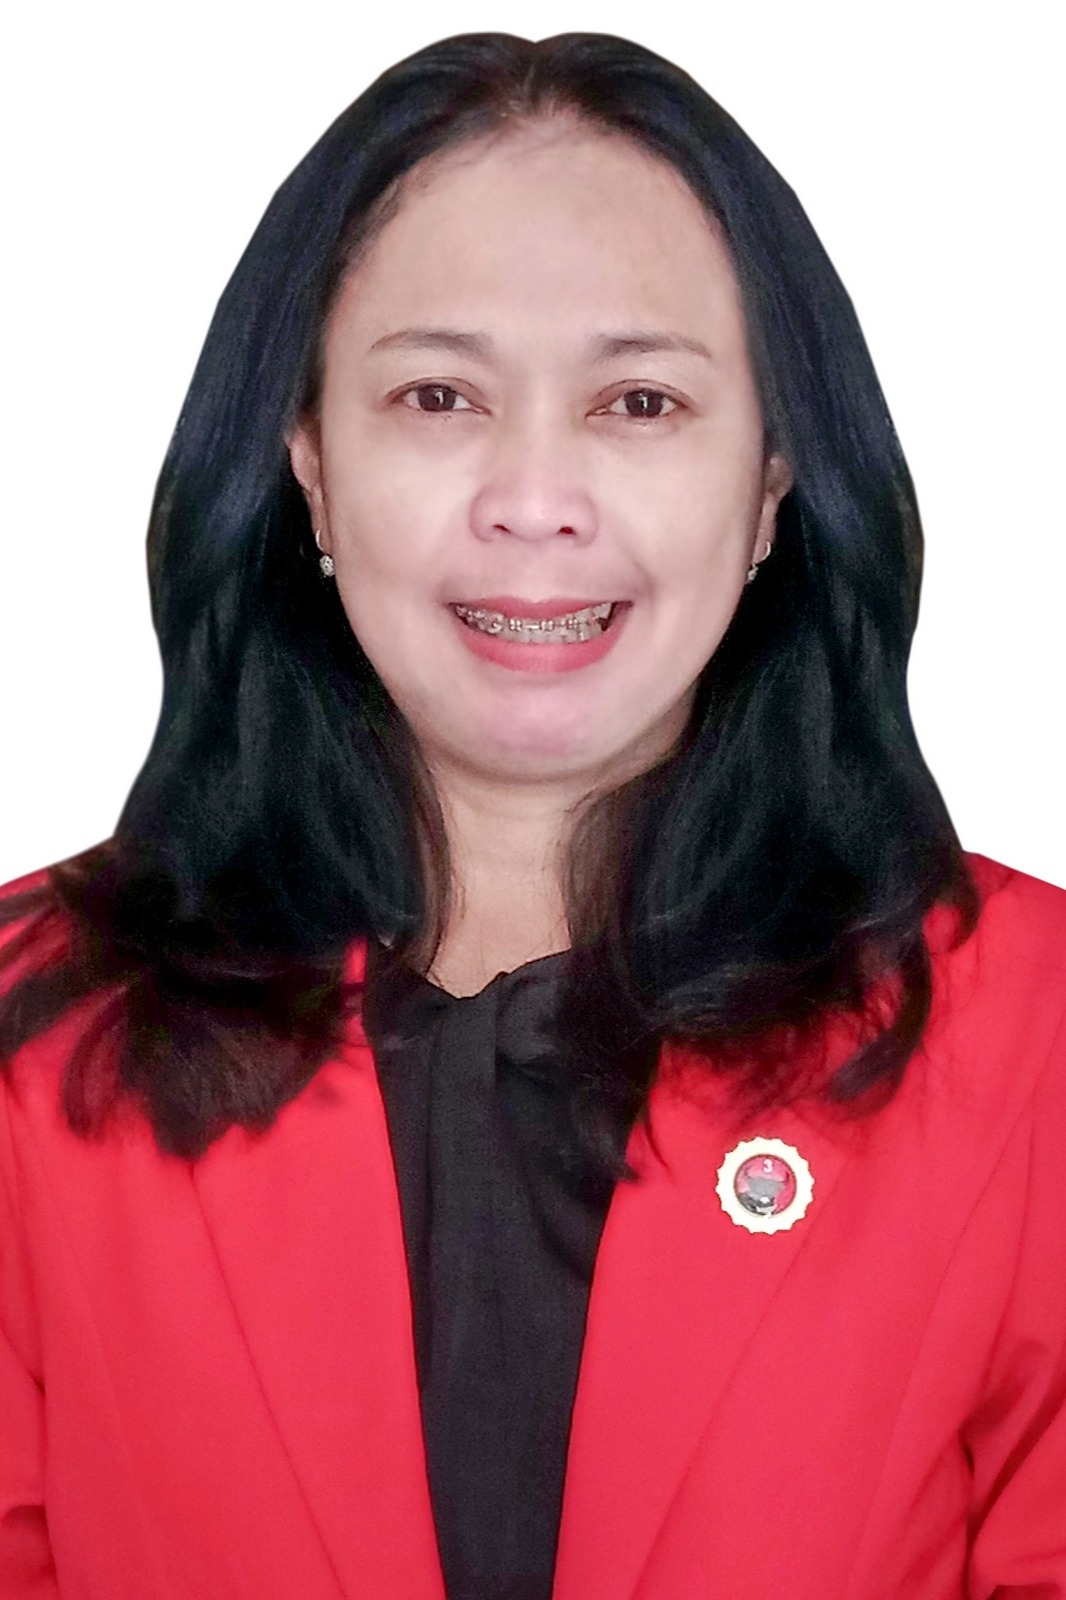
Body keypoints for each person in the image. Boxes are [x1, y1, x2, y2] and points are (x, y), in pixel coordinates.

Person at [0, 29, 1063, 1600]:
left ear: (772, 480)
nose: (534, 500)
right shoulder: (31, 1032)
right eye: (438, 395)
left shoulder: (1030, 1025)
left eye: (639, 401)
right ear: (307, 459)